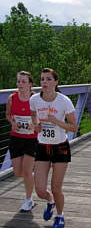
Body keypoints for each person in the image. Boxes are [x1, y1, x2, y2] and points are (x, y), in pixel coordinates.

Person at [30, 68, 77, 228]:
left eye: (49, 79)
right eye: (42, 79)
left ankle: (60, 215)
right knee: (40, 190)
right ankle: (50, 202)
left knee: (56, 188)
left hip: (60, 147)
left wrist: (56, 121)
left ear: (56, 82)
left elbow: (73, 127)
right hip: (43, 146)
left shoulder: (64, 101)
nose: (45, 82)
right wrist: (36, 126)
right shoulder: (35, 99)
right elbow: (33, 116)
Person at [5, 71, 37, 211]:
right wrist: (12, 122)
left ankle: (28, 200)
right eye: (18, 81)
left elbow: (43, 115)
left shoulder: (36, 99)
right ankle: (33, 177)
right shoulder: (12, 98)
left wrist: (35, 124)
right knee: (18, 173)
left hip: (32, 139)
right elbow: (7, 115)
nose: (20, 84)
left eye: (23, 82)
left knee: (26, 170)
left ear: (30, 84)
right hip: (17, 138)